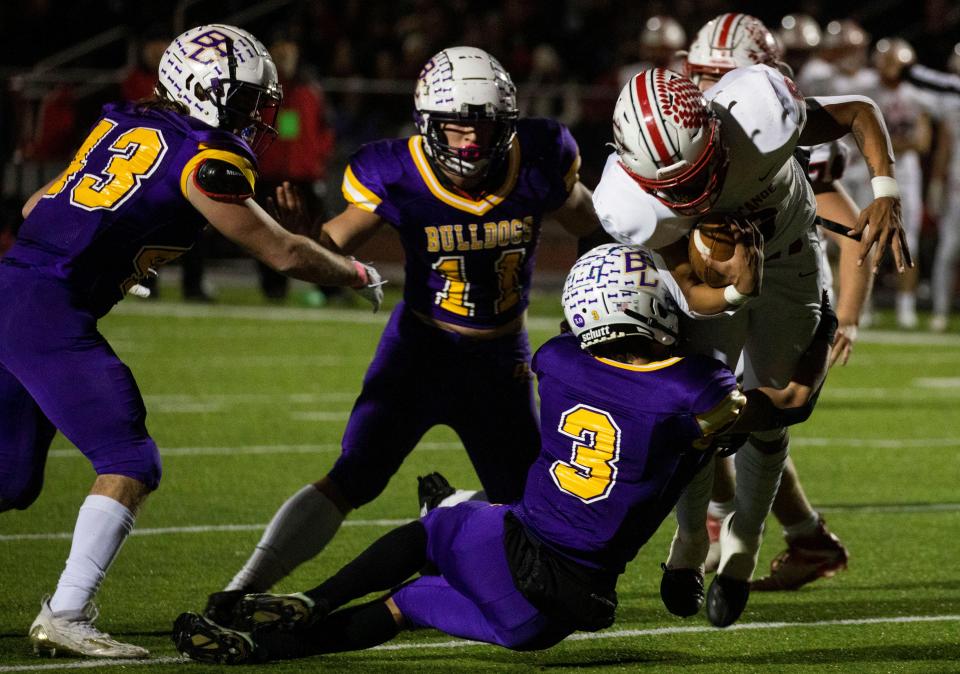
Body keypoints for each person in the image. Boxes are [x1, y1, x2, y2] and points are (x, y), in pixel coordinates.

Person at [171, 242, 837, 665]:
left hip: (513, 543)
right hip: (551, 612)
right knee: (410, 601)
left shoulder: (559, 360)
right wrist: (815, 327)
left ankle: (303, 611)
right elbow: (781, 404)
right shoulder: (694, 387)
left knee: (431, 536)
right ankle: (263, 647)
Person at [0, 24, 382, 659]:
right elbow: (283, 252)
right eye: (248, 98)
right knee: (130, 461)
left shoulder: (123, 124)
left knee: (11, 482)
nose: (258, 113)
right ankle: (66, 613)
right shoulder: (208, 159)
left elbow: (36, 206)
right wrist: (355, 272)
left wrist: (114, 250)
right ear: (207, 91)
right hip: (49, 312)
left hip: (13, 288)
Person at [202, 46, 602, 624]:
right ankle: (241, 589)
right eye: (456, 127)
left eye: (483, 127)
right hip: (421, 352)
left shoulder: (540, 157)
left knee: (527, 513)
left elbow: (596, 231)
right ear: (427, 124)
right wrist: (298, 237)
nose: (468, 142)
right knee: (354, 475)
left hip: (501, 363)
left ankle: (450, 512)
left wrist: (590, 313)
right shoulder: (394, 170)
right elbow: (331, 247)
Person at [592, 61, 909, 625]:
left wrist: (884, 190)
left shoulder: (756, 116)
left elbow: (859, 111)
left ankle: (744, 542)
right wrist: (737, 292)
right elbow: (689, 288)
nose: (695, 193)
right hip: (719, 285)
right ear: (639, 177)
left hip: (792, 270)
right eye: (676, 188)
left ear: (715, 130)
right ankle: (690, 541)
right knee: (704, 413)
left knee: (769, 414)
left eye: (700, 171)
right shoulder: (629, 204)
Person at [682, 13, 874, 591]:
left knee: (740, 414)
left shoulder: (773, 127)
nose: (709, 89)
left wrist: (850, 315)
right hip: (728, 285)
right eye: (701, 75)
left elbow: (852, 229)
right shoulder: (692, 124)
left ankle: (729, 526)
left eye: (722, 75)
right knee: (723, 408)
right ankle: (798, 535)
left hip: (782, 288)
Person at [255, 34, 338, 305]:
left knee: (318, 233)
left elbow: (325, 130)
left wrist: (317, 161)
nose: (285, 56)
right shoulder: (261, 88)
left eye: (290, 49)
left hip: (304, 175)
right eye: (280, 49)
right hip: (271, 175)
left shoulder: (310, 90)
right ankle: (273, 289)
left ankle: (331, 288)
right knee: (267, 235)